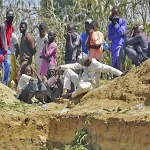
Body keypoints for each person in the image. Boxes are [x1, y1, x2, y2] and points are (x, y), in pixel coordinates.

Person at [58, 52, 122, 99]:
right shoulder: (84, 62)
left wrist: (121, 74)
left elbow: (110, 69)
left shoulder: (96, 65)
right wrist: (60, 67)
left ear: (88, 60)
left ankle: (71, 95)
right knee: (67, 71)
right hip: (82, 80)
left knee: (82, 86)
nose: (84, 66)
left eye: (84, 64)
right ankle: (66, 91)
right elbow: (73, 65)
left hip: (90, 84)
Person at [0, 9, 14, 85]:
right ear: (6, 17)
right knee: (3, 61)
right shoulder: (3, 26)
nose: (11, 19)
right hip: (1, 48)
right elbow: (3, 39)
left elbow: (9, 39)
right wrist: (5, 51)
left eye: (12, 17)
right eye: (9, 17)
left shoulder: (11, 27)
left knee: (8, 66)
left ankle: (5, 83)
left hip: (6, 49)